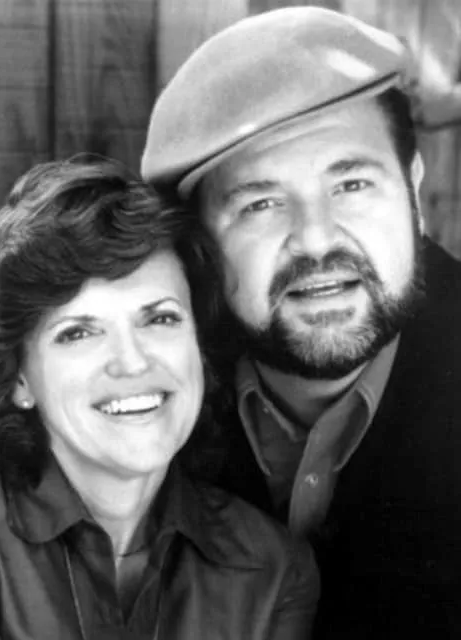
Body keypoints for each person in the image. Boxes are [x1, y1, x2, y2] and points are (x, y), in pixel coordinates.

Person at [141, 6, 461, 638]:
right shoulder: (145, 381)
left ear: (413, 190)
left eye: (353, 185)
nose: (315, 240)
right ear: (200, 242)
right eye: (260, 203)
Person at [0, 158, 319, 639]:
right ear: (20, 380)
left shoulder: (274, 569)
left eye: (160, 319)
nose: (132, 362)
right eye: (78, 333)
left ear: (198, 347)